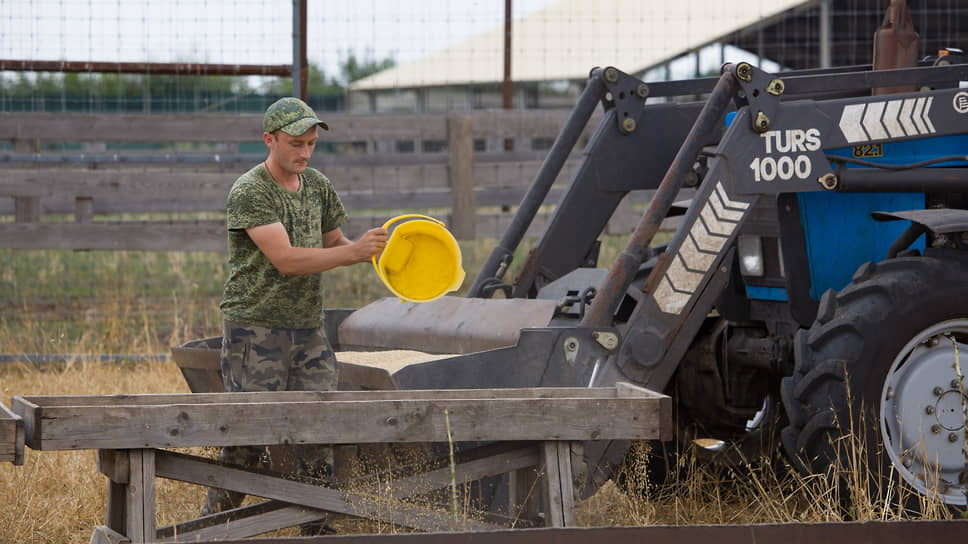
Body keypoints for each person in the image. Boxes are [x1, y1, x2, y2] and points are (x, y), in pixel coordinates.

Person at [202, 97, 387, 525]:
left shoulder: (318, 185)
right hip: (256, 328)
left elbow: (334, 242)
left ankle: (316, 528)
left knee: (319, 427)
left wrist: (379, 256)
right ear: (269, 140)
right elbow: (285, 260)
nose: (304, 152)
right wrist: (352, 254)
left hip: (307, 327)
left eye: (311, 144)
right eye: (294, 144)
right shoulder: (250, 191)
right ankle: (213, 526)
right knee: (248, 436)